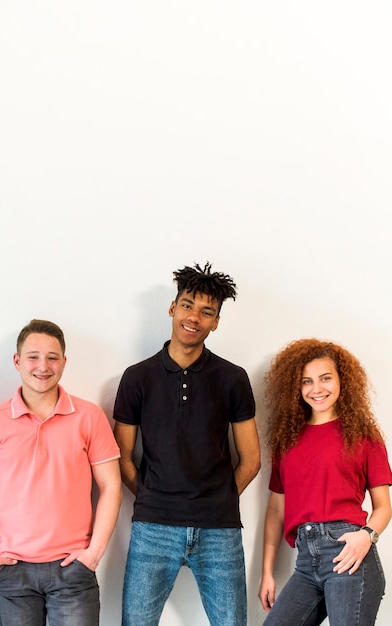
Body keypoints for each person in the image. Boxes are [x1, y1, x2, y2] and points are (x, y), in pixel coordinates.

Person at [113, 262, 261, 626]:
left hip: (219, 530)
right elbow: (122, 457)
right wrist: (151, 497)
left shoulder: (232, 378)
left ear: (215, 322)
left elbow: (252, 459)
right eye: (188, 304)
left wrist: (221, 500)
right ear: (172, 307)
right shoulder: (137, 378)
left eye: (207, 311)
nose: (194, 316)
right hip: (154, 528)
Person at [0, 319, 122, 626]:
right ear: (17, 361)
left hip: (73, 569)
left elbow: (111, 486)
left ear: (64, 363)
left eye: (52, 357)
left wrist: (93, 554)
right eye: (33, 356)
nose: (43, 366)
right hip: (12, 569)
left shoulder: (89, 416)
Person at [258, 339, 392, 626]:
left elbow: (383, 507)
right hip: (306, 562)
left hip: (350, 554)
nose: (316, 389)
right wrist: (267, 572)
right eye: (306, 381)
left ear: (342, 380)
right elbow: (275, 511)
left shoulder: (363, 435)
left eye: (325, 378)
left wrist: (366, 536)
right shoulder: (287, 440)